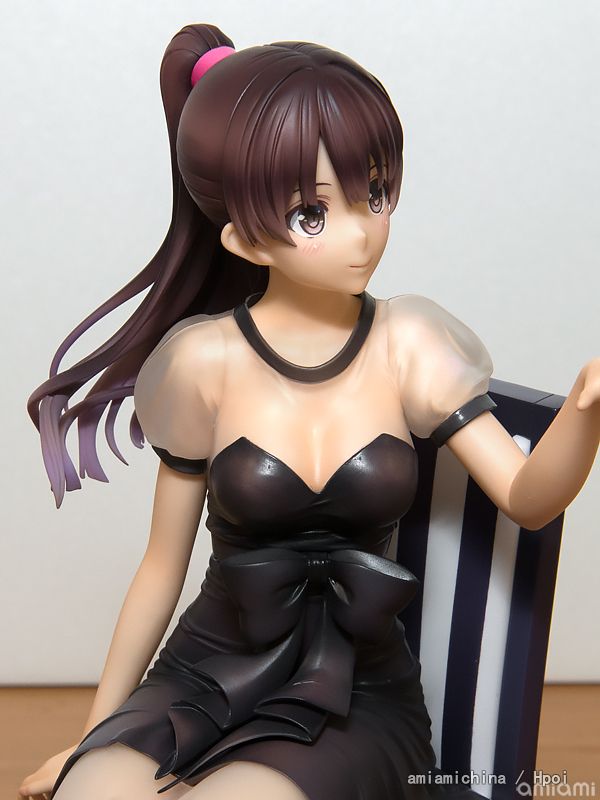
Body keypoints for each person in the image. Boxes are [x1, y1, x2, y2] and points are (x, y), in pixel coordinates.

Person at [22, 22, 600, 800]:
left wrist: (587, 407)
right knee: (92, 792)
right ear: (244, 240)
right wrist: (91, 735)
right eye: (313, 214)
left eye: (375, 193)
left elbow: (528, 498)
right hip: (204, 669)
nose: (362, 233)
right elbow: (161, 567)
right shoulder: (203, 364)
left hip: (356, 696)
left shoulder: (409, 343)